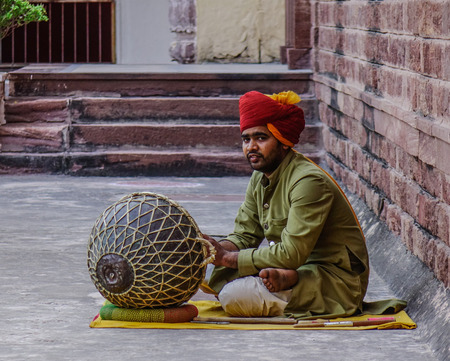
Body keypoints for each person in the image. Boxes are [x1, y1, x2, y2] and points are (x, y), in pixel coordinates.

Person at [202, 90, 370, 319]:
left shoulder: (308, 181)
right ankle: (286, 278)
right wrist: (210, 250)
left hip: (333, 281)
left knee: (235, 296)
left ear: (282, 141)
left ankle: (292, 278)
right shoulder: (260, 178)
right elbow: (244, 236)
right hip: (293, 266)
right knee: (216, 277)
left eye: (261, 138)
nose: (251, 147)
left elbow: (290, 254)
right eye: (246, 139)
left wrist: (228, 258)